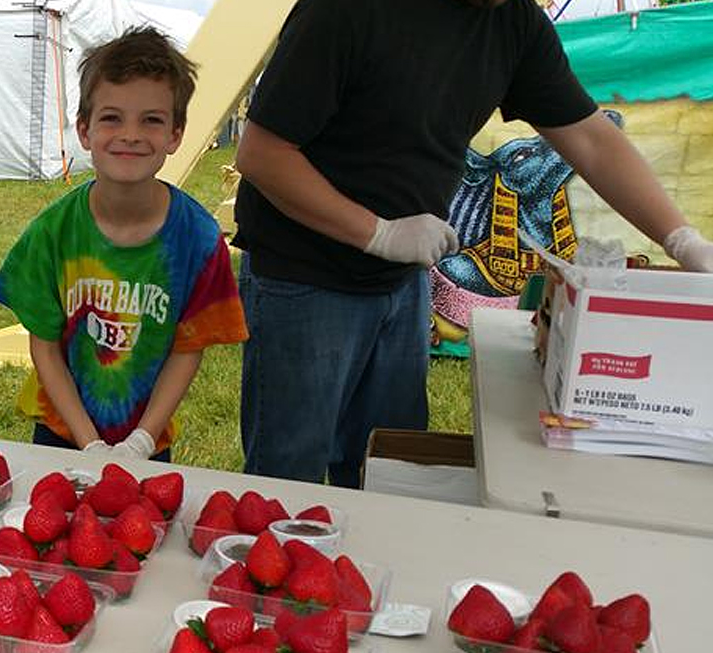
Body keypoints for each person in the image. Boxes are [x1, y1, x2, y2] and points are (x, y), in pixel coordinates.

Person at [232, 0, 713, 487]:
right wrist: (377, 232)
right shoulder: (344, 11)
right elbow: (263, 154)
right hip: (303, 275)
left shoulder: (513, 21)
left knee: (387, 470)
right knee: (288, 475)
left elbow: (591, 138)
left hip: (401, 281)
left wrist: (683, 241)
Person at [0, 27, 249, 462]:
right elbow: (44, 347)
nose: (130, 134)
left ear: (176, 134)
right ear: (84, 130)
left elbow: (188, 348)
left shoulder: (199, 239)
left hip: (147, 439)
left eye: (151, 120)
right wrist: (88, 443)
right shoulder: (52, 233)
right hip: (61, 428)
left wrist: (142, 441)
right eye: (112, 118)